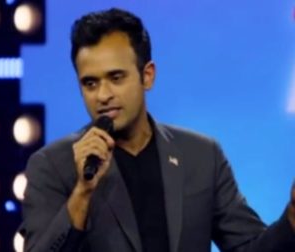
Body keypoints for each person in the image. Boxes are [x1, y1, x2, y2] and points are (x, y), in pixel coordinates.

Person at [19, 8, 295, 252]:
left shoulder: (201, 156)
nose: (103, 95)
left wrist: (292, 219)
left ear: (147, 75)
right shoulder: (53, 166)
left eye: (116, 78)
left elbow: (248, 247)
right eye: (90, 83)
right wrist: (82, 192)